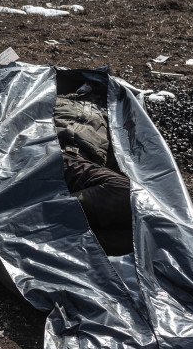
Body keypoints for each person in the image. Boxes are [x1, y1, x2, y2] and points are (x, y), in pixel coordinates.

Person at [55, 85, 134, 256]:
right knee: (127, 191)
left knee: (142, 230)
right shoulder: (52, 100)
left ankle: (61, 231)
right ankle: (48, 213)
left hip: (85, 166)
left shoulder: (113, 113)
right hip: (61, 157)